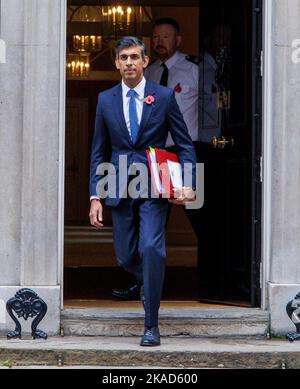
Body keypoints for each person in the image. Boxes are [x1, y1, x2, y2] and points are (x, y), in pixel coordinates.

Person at [89, 36, 196, 346]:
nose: (129, 63)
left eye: (135, 57)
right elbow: (99, 150)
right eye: (124, 58)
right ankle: (147, 279)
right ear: (117, 63)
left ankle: (151, 325)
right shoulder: (105, 99)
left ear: (145, 61)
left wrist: (188, 183)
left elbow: (184, 143)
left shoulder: (162, 97)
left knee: (151, 248)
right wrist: (95, 196)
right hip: (119, 183)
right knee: (125, 255)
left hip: (155, 184)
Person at [112, 18, 221, 301]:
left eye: (166, 37)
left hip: (187, 152)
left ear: (178, 40)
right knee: (144, 222)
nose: (161, 42)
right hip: (153, 156)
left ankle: (215, 284)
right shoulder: (150, 72)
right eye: (156, 37)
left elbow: (215, 107)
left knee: (202, 217)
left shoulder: (196, 67)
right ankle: (142, 282)